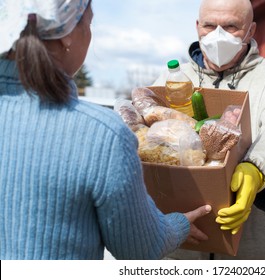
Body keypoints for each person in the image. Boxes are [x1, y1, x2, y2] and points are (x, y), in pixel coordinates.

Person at [0, 0, 212, 260]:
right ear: (66, 35)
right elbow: (139, 247)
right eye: (88, 23)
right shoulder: (101, 136)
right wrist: (177, 225)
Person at [153, 0, 265, 259]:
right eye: (209, 25)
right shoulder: (173, 79)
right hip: (182, 249)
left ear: (250, 31)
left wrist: (257, 169)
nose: (218, 35)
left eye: (230, 26)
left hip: (255, 249)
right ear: (197, 27)